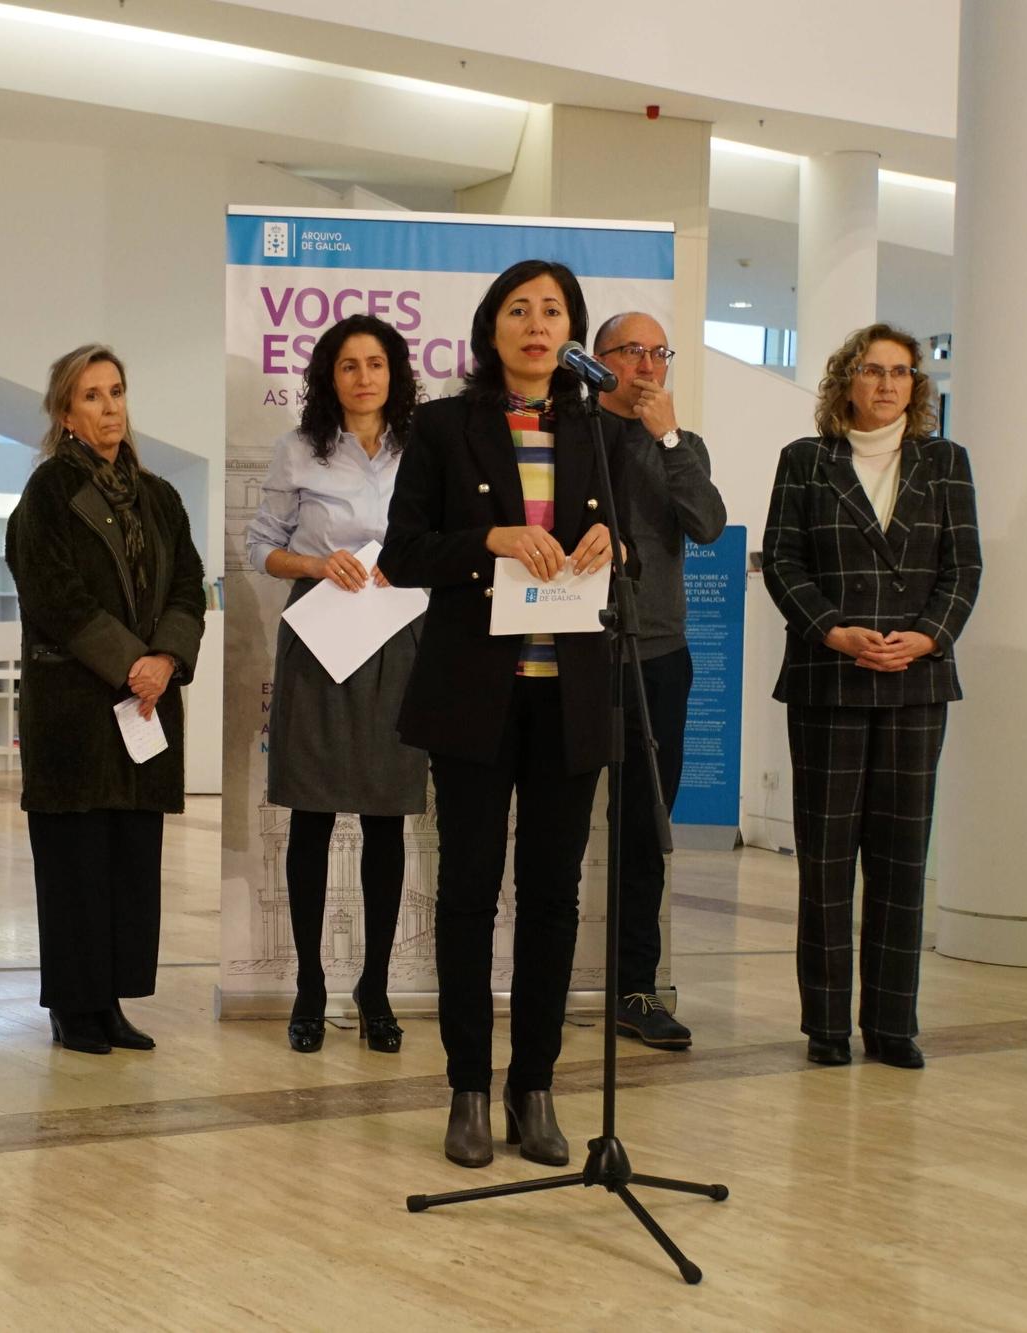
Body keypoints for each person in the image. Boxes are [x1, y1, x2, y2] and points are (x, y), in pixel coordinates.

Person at [382, 259, 629, 1169]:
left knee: (555, 899)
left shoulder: (597, 431)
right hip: (474, 698)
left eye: (552, 310)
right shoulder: (447, 427)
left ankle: (536, 1086)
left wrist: (613, 542)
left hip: (570, 697)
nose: (535, 325)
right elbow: (405, 552)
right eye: (519, 310)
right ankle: (468, 1088)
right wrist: (488, 540)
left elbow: (626, 550)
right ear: (491, 328)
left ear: (571, 332)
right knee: (469, 894)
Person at [761, 323, 981, 1071]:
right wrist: (835, 632)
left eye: (902, 373)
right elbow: (784, 562)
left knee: (901, 862)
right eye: (873, 370)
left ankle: (892, 1024)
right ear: (844, 380)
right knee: (825, 863)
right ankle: (826, 1025)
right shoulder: (805, 461)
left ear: (916, 387)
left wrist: (926, 637)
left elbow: (964, 567)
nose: (888, 384)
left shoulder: (946, 461)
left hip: (916, 683)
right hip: (830, 680)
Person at [5, 344, 206, 1055]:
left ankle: (113, 1001)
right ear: (66, 413)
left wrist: (167, 659)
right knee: (74, 863)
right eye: (91, 395)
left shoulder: (160, 497)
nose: (109, 406)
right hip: (75, 709)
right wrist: (133, 664)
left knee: (128, 863)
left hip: (144, 707)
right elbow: (58, 598)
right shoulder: (47, 496)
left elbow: (188, 586)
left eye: (116, 390)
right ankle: (74, 1005)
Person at [246, 314, 427, 1055]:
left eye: (375, 364)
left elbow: (444, 540)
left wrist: (408, 561)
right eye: (348, 365)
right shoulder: (298, 450)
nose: (362, 377)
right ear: (328, 376)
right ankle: (310, 987)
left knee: (386, 816)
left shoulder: (424, 449)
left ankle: (375, 986)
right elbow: (262, 548)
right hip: (319, 635)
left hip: (399, 635)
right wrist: (320, 563)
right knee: (314, 815)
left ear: (395, 374)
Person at [593, 313, 726, 1051]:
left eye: (658, 353)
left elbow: (706, 524)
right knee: (556, 820)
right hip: (577, 652)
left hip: (659, 655)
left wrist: (670, 440)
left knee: (645, 829)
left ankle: (634, 988)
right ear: (601, 361)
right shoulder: (574, 433)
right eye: (632, 352)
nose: (647, 366)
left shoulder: (683, 444)